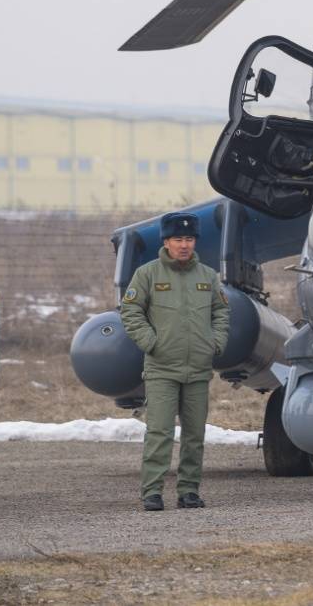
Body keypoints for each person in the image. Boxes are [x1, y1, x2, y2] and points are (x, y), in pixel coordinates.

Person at [120, 211, 229, 511]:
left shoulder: (208, 277)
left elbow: (221, 313)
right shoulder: (147, 274)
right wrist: (151, 343)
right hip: (161, 370)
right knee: (160, 432)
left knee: (195, 434)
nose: (184, 245)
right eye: (178, 239)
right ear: (166, 241)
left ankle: (189, 491)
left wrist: (215, 343)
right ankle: (152, 492)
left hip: (198, 369)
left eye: (189, 239)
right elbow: (130, 312)